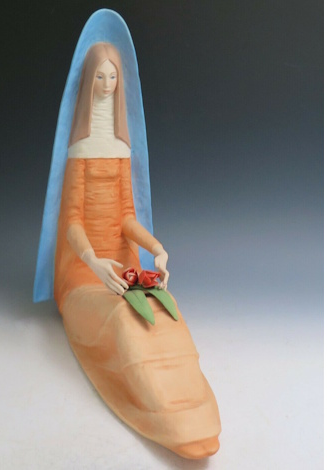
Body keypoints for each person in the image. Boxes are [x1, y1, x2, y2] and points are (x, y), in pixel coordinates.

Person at [35, 36, 220, 458]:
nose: (106, 85)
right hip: (85, 277)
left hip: (121, 271)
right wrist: (93, 262)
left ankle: (190, 411)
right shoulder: (79, 153)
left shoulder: (120, 151)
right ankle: (164, 415)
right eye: (99, 77)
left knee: (165, 311)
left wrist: (157, 248)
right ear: (89, 81)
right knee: (124, 318)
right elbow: (72, 222)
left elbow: (125, 218)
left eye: (113, 77)